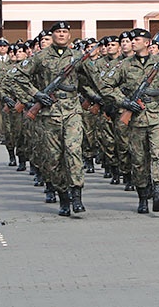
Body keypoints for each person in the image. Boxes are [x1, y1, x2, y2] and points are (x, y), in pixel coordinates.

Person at [12, 21, 102, 216]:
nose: (62, 35)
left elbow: (90, 81)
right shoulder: (41, 57)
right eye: (58, 32)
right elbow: (19, 76)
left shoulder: (77, 56)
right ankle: (63, 195)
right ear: (52, 35)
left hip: (72, 111)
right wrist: (36, 95)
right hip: (49, 113)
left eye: (65, 32)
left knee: (73, 151)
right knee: (53, 157)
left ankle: (77, 195)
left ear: (69, 35)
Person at [100, 29, 159, 214]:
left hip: (157, 116)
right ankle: (143, 196)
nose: (132, 42)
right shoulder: (124, 65)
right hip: (136, 118)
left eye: (136, 39)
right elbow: (106, 85)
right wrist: (124, 101)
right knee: (138, 160)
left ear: (147, 43)